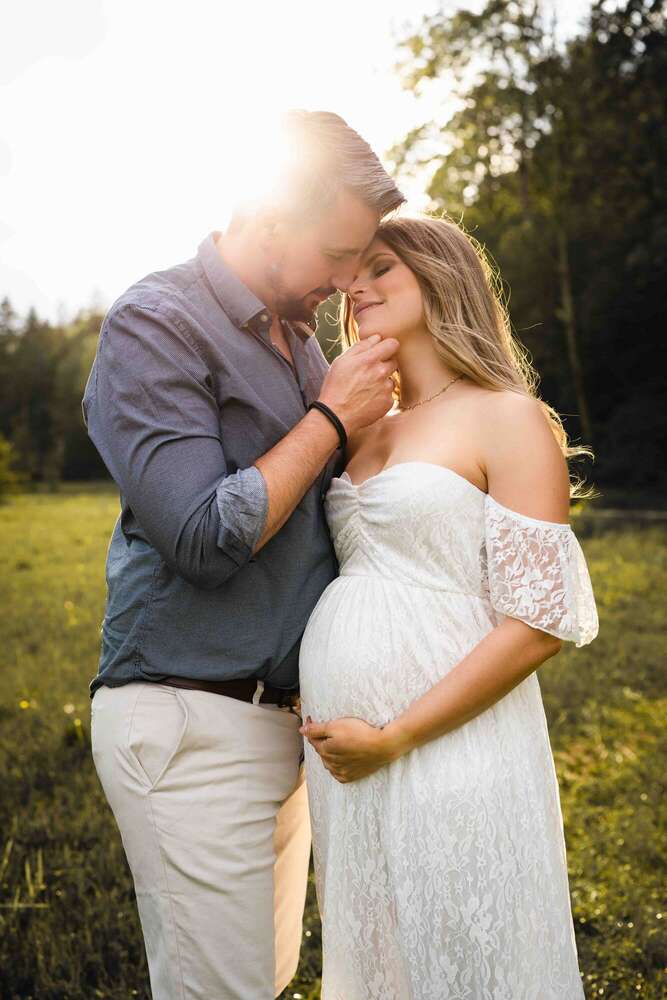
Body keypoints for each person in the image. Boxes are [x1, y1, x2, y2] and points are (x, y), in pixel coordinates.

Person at [82, 110, 404, 1000]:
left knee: (261, 982)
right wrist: (332, 418)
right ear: (269, 220)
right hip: (188, 719)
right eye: (338, 253)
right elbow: (198, 535)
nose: (347, 280)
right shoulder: (157, 323)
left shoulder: (302, 347)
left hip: (288, 729)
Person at [298, 214, 599, 1000]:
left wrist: (394, 737)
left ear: (440, 279)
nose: (351, 287)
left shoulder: (507, 415)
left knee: (469, 944)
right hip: (346, 763)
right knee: (384, 955)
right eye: (348, 276)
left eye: (379, 268)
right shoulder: (361, 428)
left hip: (451, 741)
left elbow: (535, 625)